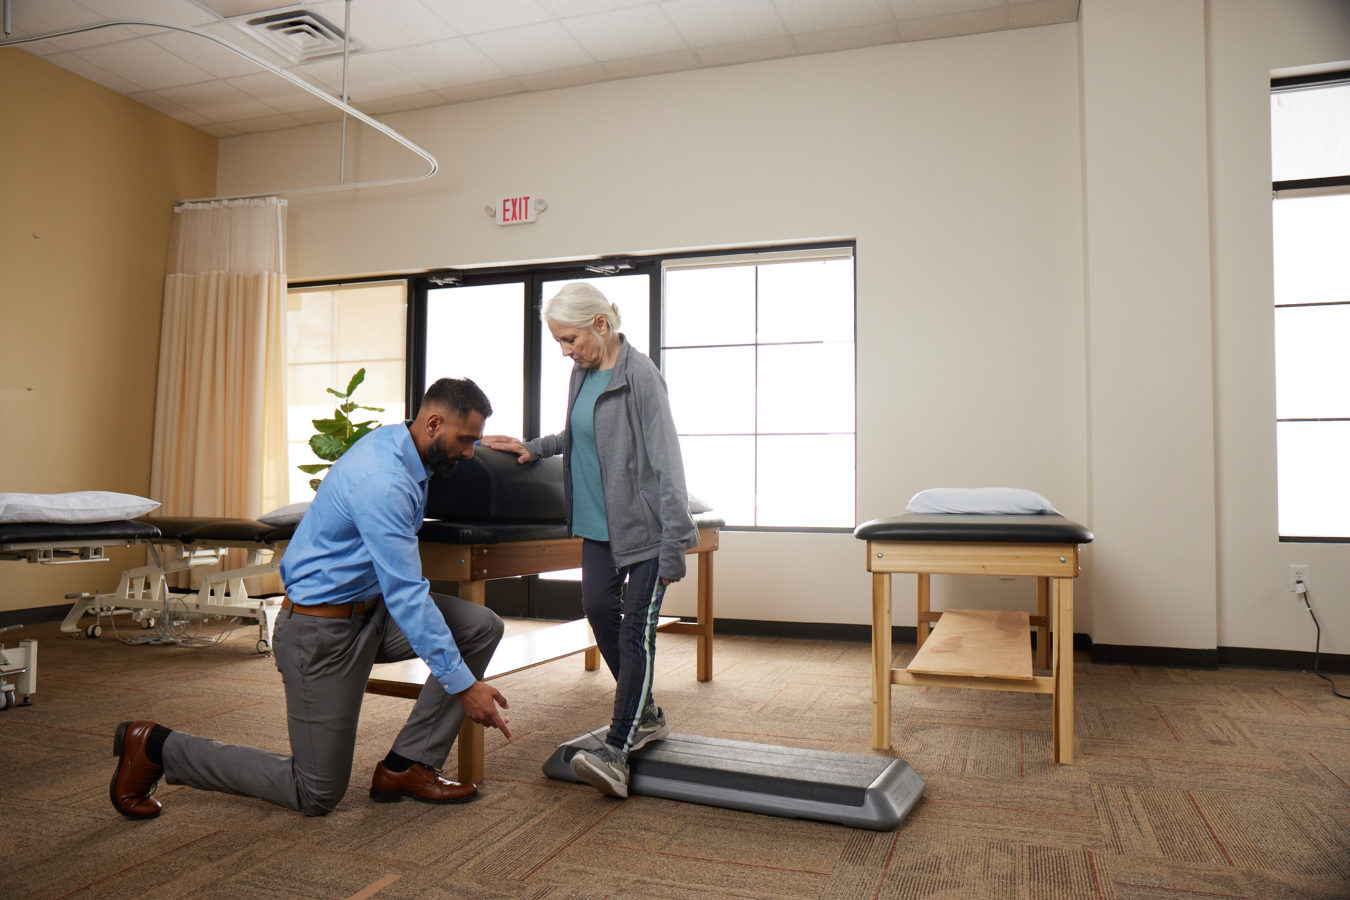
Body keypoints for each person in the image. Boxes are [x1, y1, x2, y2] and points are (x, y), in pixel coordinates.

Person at [110, 377, 512, 819]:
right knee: (316, 792)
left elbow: (400, 591)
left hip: (370, 614)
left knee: (480, 626)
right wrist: (464, 685)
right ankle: (157, 747)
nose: (471, 452)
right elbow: (407, 595)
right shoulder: (385, 480)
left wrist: (495, 446)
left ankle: (408, 766)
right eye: (466, 440)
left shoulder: (405, 444)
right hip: (321, 635)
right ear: (433, 422)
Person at [483, 283, 698, 798]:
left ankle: (619, 748)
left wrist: (675, 542)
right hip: (598, 525)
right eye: (558, 341)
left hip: (645, 529)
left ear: (601, 324)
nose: (564, 351)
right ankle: (645, 713)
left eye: (570, 338)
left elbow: (668, 465)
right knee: (599, 609)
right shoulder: (583, 372)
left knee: (634, 633)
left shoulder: (640, 377)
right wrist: (533, 447)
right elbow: (579, 433)